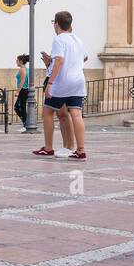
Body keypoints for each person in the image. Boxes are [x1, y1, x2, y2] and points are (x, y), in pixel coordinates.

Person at [34, 11, 88, 160]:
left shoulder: (59, 39)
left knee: (47, 112)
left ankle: (48, 147)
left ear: (56, 24)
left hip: (62, 82)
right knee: (76, 114)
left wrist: (50, 83)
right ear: (70, 24)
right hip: (78, 81)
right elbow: (85, 58)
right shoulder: (78, 39)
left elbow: (59, 61)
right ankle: (81, 150)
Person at [13, 53, 30, 126]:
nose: (16, 61)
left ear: (21, 61)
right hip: (24, 90)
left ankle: (26, 122)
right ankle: (25, 122)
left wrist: (17, 91)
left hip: (23, 90)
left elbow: (22, 81)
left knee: (18, 107)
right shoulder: (26, 69)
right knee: (21, 107)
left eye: (17, 60)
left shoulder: (22, 69)